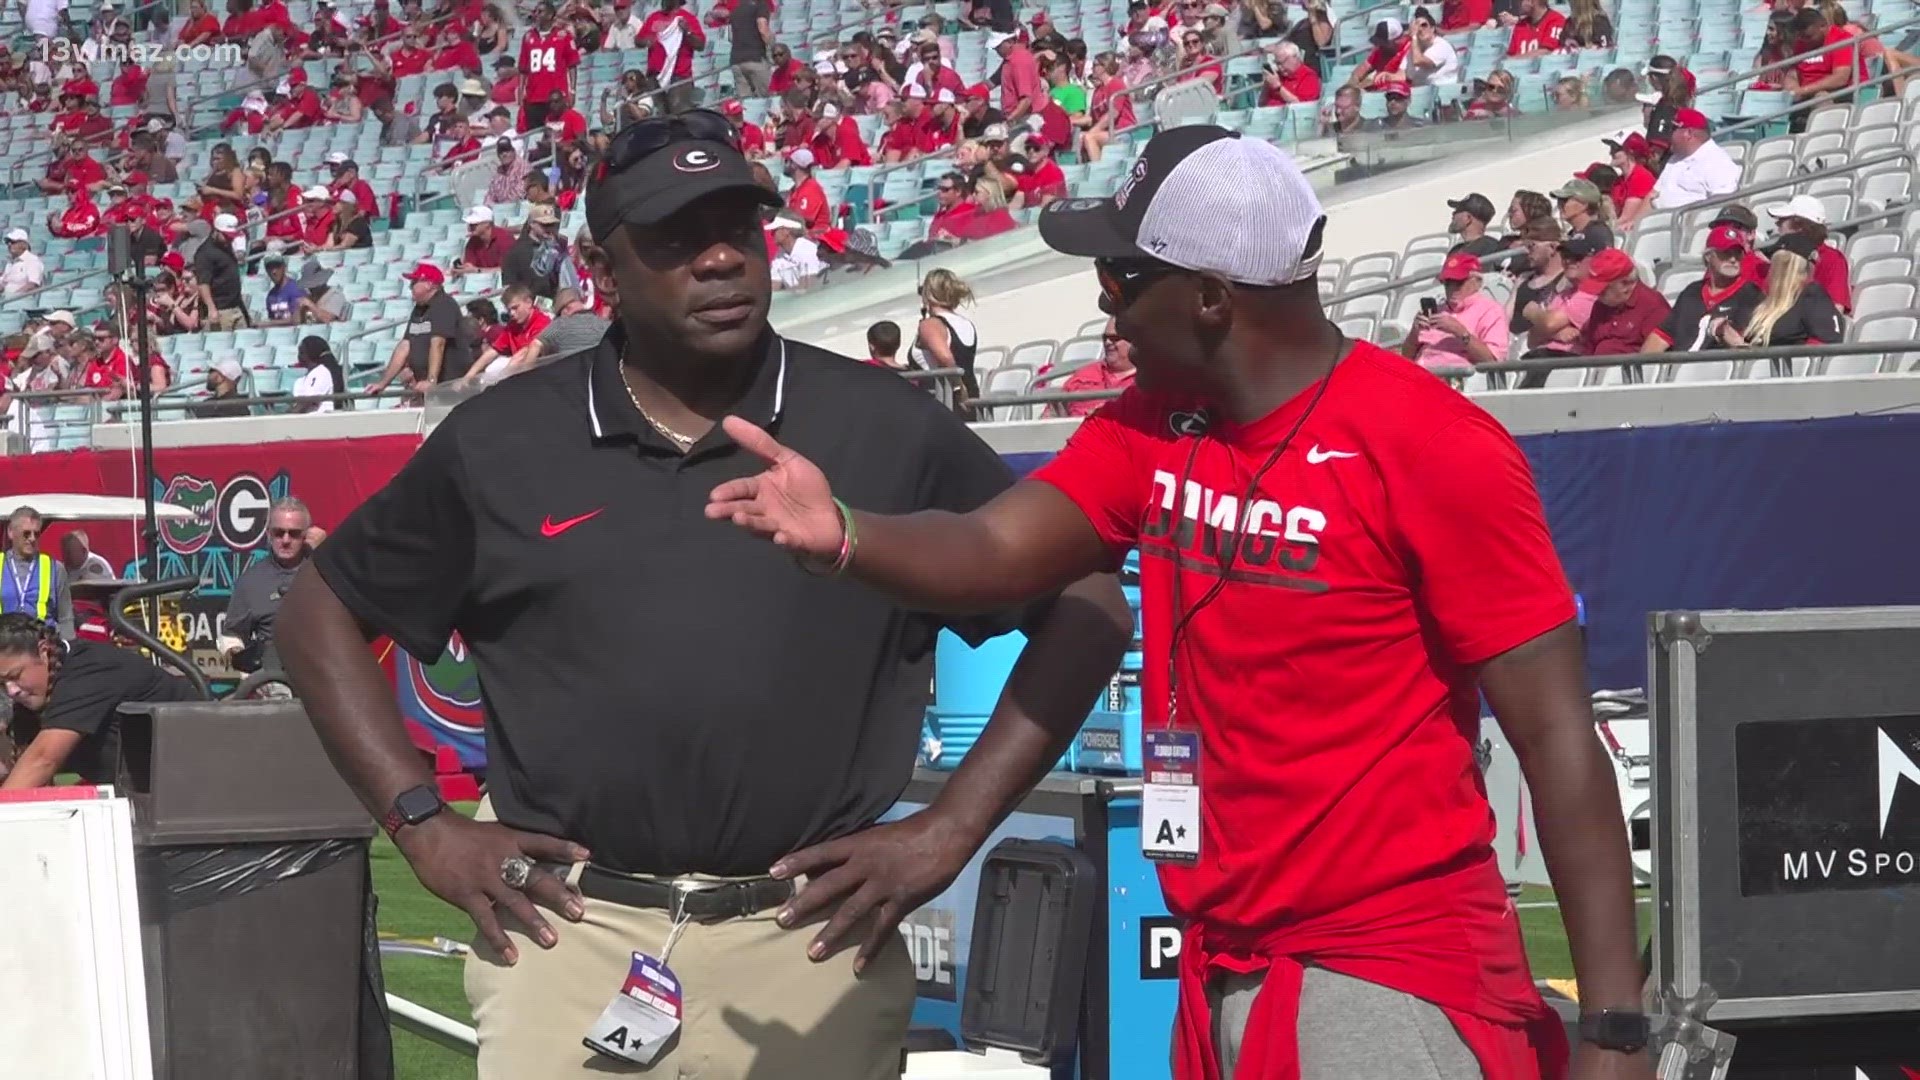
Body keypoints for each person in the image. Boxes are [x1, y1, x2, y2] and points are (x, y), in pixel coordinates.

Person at [706, 125, 1652, 1080]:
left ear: (1209, 297)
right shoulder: (1154, 426)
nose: (1105, 304)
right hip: (1219, 952)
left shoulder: (1432, 444)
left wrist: (1614, 1029)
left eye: (1121, 275)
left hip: (1383, 968)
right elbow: (995, 548)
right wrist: (848, 536)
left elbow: (1559, 740)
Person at [275, 109, 1130, 1080]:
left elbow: (1090, 601)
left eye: (739, 227)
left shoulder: (883, 426)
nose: (721, 259)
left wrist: (953, 827)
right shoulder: (503, 441)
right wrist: (422, 828)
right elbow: (319, 613)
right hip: (571, 938)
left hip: (809, 947)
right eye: (679, 237)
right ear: (606, 267)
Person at [0, 614, 201, 789]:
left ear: (44, 651)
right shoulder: (38, 691)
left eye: (16, 675)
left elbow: (42, 760)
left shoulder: (89, 669)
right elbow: (17, 768)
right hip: (145, 793)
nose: (11, 690)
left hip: (194, 784)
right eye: (2, 683)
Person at [219, 498, 312, 674]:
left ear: (305, 536)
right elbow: (232, 635)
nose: (285, 540)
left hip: (321, 674)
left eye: (294, 534)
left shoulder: (323, 570)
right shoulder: (251, 582)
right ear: (268, 534)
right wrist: (236, 653)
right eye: (279, 533)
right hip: (274, 679)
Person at [1716, 233, 1846, 356]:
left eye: (1778, 263)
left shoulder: (1812, 296)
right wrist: (1724, 333)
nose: (1771, 267)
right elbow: (1743, 343)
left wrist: (1743, 349)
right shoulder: (1759, 300)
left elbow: (1825, 347)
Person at [1642, 224, 1762, 354]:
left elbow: (1744, 345)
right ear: (1708, 257)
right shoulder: (1691, 292)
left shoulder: (1751, 294)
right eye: (1725, 253)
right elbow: (1661, 337)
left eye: (1737, 254)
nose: (1733, 259)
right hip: (1678, 369)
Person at [368, 262, 475, 395]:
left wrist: (431, 380)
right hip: (429, 388)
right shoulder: (419, 309)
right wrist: (382, 383)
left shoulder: (445, 305)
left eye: (414, 282)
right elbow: (405, 346)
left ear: (428, 284)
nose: (410, 287)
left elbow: (438, 344)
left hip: (449, 386)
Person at [1764, 195, 1852, 313]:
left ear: (1799, 226)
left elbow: (1835, 312)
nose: (1777, 227)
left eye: (1781, 222)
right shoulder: (1779, 255)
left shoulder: (1832, 259)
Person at [3, 508, 75, 640]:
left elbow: (66, 618)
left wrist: (68, 648)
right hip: (5, 646)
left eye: (36, 534)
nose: (32, 539)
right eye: (26, 534)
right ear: (11, 532)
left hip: (42, 644)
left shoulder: (55, 569)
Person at [913, 268, 980, 410]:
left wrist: (958, 387)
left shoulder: (930, 325)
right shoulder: (965, 323)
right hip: (971, 397)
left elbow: (945, 357)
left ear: (928, 294)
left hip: (944, 402)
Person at [1650, 109, 1739, 209]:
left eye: (1673, 128)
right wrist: (1634, 221)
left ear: (1688, 133)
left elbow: (1723, 205)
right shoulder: (1675, 158)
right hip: (1657, 218)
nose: (1669, 134)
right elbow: (1652, 194)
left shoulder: (1717, 163)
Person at [292, 335, 346, 412]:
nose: (299, 356)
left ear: (310, 353)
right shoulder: (302, 380)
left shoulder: (322, 372)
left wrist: (284, 417)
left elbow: (307, 402)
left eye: (301, 352)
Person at [1445, 192, 1503, 257]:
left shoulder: (1491, 247)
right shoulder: (1455, 250)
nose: (1453, 214)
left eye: (1457, 210)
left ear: (1468, 218)